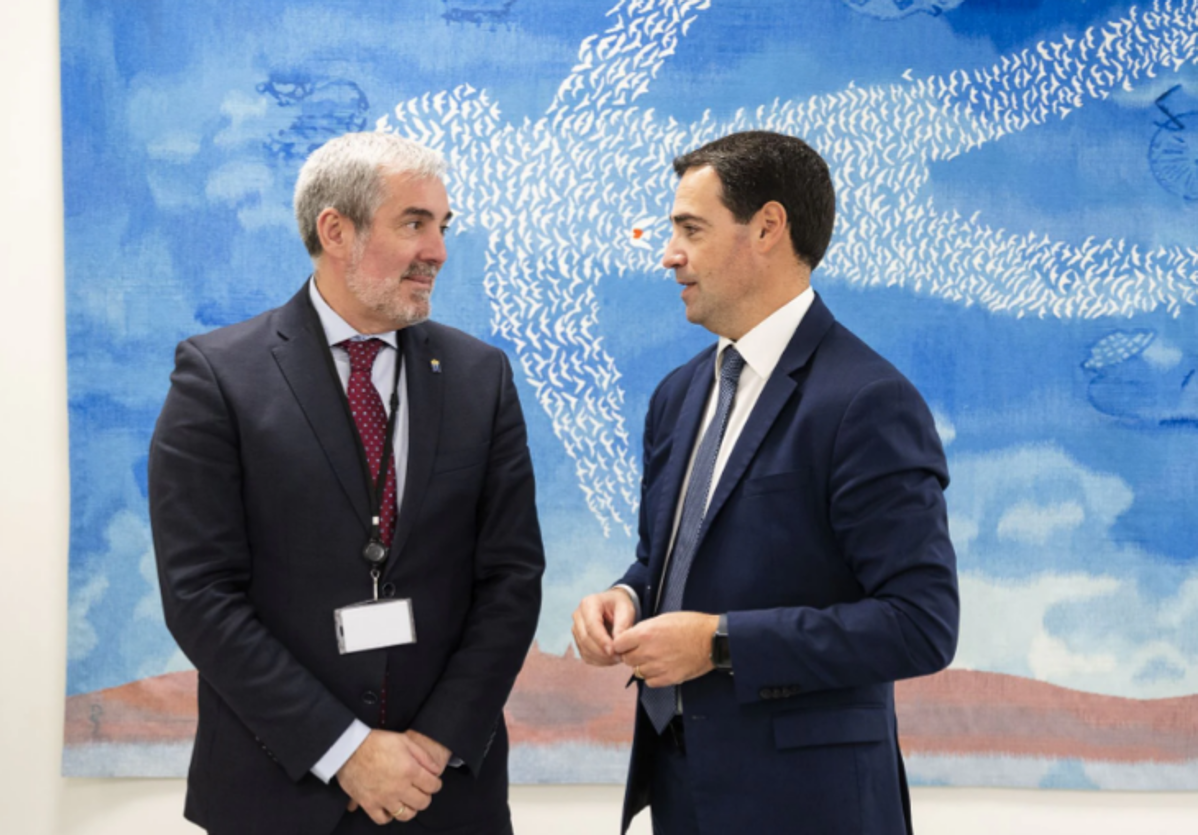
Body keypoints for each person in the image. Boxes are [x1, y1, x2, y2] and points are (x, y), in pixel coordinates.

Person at [149, 131, 544, 835]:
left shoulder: (482, 377)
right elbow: (199, 595)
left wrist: (431, 745)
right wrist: (345, 750)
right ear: (336, 229)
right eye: (414, 223)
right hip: (279, 795)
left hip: (444, 794)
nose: (439, 251)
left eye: (442, 226)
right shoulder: (217, 378)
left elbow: (512, 576)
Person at [571, 131, 959, 835]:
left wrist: (721, 642)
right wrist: (624, 596)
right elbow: (671, 559)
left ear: (769, 228)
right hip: (681, 791)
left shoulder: (867, 400)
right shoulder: (677, 395)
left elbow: (921, 623)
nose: (669, 254)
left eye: (690, 229)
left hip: (813, 806)